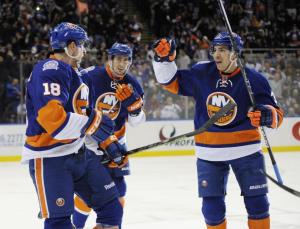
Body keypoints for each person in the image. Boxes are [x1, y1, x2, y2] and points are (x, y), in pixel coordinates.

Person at [152, 33, 284, 229]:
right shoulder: (202, 72)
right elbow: (170, 81)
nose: (216, 54)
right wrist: (163, 60)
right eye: (214, 49)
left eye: (222, 50)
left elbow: (277, 115)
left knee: (258, 205)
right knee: (211, 210)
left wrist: (266, 115)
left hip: (246, 151)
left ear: (235, 54)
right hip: (210, 152)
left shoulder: (254, 79)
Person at [22, 22, 127, 229]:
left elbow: (83, 116)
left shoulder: (75, 75)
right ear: (71, 47)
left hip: (79, 153)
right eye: (81, 44)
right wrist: (95, 122)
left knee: (112, 210)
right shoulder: (49, 69)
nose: (84, 49)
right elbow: (54, 120)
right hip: (50, 157)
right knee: (59, 222)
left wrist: (107, 142)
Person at [72, 43, 146, 228]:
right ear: (110, 59)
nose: (122, 64)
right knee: (90, 191)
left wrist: (134, 109)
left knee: (119, 189)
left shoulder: (133, 84)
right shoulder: (90, 76)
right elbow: (76, 107)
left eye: (126, 60)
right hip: (90, 142)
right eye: (118, 59)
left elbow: (137, 122)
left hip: (117, 143)